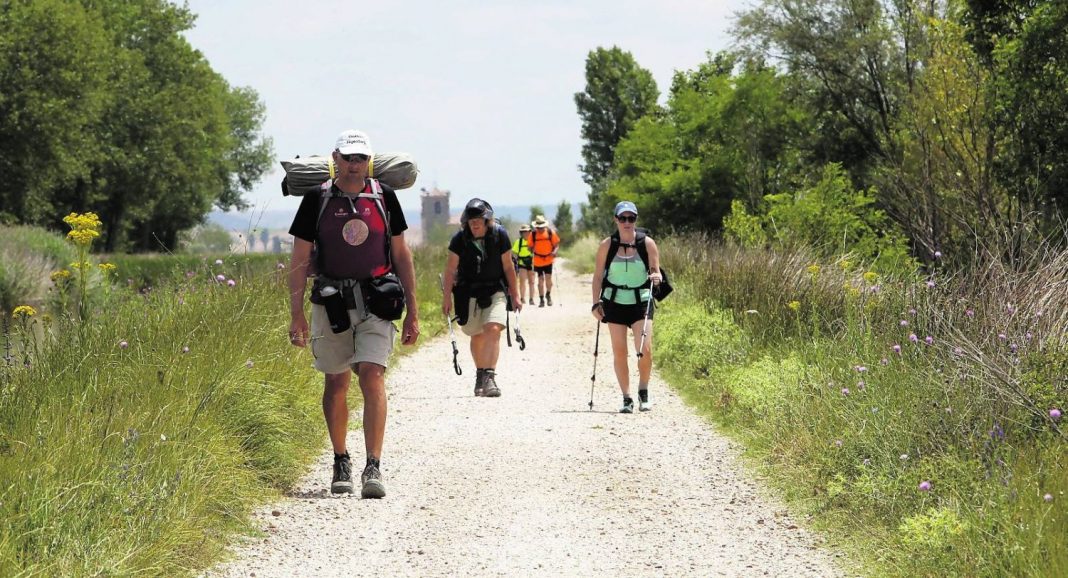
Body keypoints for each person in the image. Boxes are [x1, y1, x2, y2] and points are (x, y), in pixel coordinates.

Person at [287, 129, 420, 498]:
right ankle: (341, 458)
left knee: (373, 376)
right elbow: (299, 259)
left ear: (369, 161)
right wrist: (295, 314)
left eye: (360, 158)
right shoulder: (317, 198)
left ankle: (373, 465)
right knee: (336, 382)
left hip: (377, 298)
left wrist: (413, 311)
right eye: (348, 158)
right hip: (331, 300)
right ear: (335, 158)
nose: (354, 164)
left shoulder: (384, 197)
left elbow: (402, 255)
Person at [442, 199, 523, 397]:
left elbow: (508, 267)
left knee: (493, 329)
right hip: (468, 292)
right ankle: (480, 376)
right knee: (476, 334)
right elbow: (450, 270)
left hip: (495, 289)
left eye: (479, 220)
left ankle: (489, 377)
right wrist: (446, 298)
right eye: (471, 221)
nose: (475, 224)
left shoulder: (499, 235)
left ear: (487, 220)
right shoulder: (459, 239)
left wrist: (516, 293)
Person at [590, 201, 662, 413]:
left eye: (631, 218)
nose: (627, 222)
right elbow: (597, 277)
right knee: (619, 351)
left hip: (641, 301)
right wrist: (595, 303)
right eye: (623, 218)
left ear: (636, 220)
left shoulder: (647, 244)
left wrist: (656, 277)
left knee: (644, 350)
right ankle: (627, 397)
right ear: (616, 220)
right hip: (614, 302)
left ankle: (644, 390)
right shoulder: (607, 245)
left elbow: (655, 272)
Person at [530, 215, 560, 307]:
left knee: (548, 280)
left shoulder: (551, 233)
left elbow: (556, 245)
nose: (540, 229)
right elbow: (530, 247)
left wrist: (554, 252)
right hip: (538, 261)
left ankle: (548, 294)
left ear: (545, 226)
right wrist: (532, 250)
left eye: (541, 227)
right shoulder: (533, 234)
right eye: (538, 227)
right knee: (540, 280)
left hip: (548, 260)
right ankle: (542, 299)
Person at [511, 223, 535, 305]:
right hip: (522, 263)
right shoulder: (519, 242)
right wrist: (515, 261)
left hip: (531, 263)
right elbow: (514, 252)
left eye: (527, 231)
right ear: (521, 233)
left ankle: (531, 299)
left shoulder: (533, 241)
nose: (525, 233)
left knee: (532, 282)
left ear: (530, 232)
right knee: (522, 281)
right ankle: (522, 298)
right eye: (523, 231)